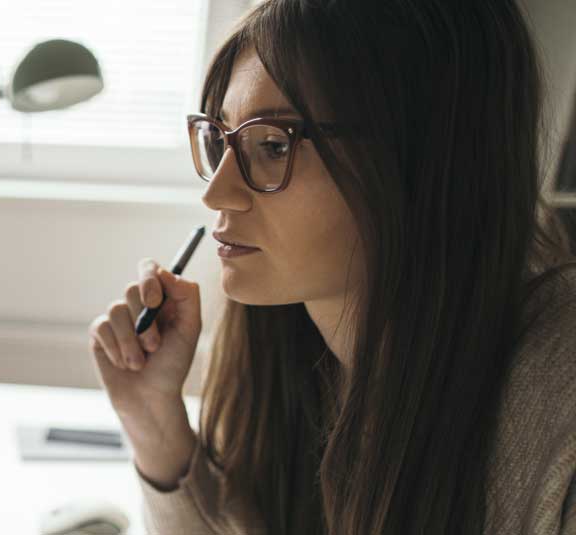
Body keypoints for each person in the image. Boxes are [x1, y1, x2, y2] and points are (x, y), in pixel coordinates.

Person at [88, 1, 576, 534]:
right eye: (220, 140)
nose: (217, 193)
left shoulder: (557, 408)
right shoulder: (292, 358)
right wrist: (153, 421)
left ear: (421, 156)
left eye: (273, 145)